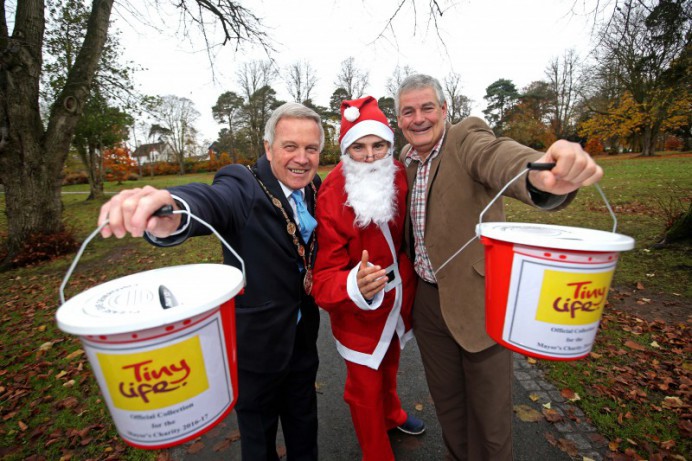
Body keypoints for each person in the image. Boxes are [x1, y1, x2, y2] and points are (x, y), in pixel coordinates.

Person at [395, 74, 604, 461]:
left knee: (490, 423)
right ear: (400, 119)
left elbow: (495, 155)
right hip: (427, 303)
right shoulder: (405, 162)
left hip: (478, 301)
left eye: (427, 108)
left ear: (444, 110)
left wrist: (540, 175)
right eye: (408, 111)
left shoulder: (465, 138)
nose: (418, 118)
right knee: (450, 408)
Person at [98, 102, 323, 461]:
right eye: (290, 146)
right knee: (258, 440)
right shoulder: (243, 182)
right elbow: (213, 200)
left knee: (304, 425)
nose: (302, 158)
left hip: (302, 337)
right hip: (255, 347)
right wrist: (172, 209)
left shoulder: (314, 188)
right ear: (268, 147)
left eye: (311, 148)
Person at [312, 96, 425, 461]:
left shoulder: (397, 174)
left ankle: (392, 414)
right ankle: (375, 453)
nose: (370, 156)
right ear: (346, 150)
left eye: (378, 145)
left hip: (398, 296)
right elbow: (324, 275)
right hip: (357, 306)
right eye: (358, 147)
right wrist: (353, 285)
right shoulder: (332, 192)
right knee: (363, 384)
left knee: (390, 360)